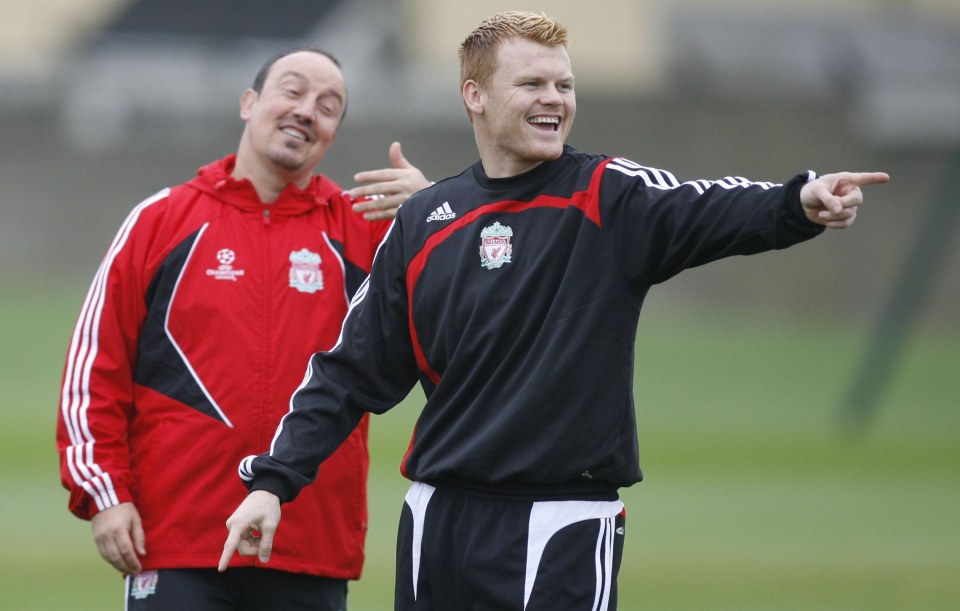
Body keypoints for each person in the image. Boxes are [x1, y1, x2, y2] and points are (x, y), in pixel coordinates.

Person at [219, 12, 890, 610]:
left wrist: (799, 201)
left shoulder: (608, 197)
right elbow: (348, 372)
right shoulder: (425, 221)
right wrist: (274, 483)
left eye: (563, 85)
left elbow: (707, 204)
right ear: (475, 97)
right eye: (533, 84)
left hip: (562, 523)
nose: (554, 99)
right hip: (436, 519)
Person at [57, 46, 431, 610]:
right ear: (249, 102)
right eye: (293, 90)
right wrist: (105, 494)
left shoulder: (367, 236)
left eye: (329, 105)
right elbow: (95, 369)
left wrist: (432, 218)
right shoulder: (161, 220)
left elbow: (466, 322)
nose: (308, 110)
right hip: (177, 543)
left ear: (332, 134)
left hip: (309, 542)